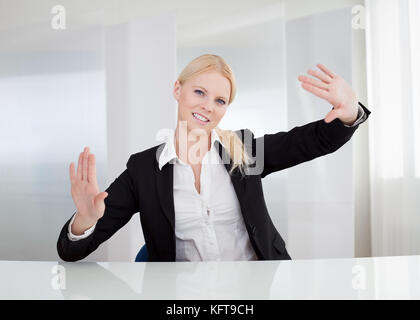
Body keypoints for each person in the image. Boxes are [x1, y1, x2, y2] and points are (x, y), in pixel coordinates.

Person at [57, 54, 371, 262]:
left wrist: (349, 113)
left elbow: (309, 142)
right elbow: (71, 252)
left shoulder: (245, 151)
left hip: (257, 288)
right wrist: (84, 220)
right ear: (177, 89)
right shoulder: (143, 170)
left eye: (220, 100)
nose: (209, 106)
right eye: (199, 93)